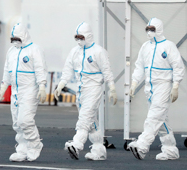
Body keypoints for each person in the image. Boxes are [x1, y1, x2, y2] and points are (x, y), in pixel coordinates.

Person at [54, 22, 117, 161]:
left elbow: (107, 71)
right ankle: (99, 149)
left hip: (94, 88)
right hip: (81, 89)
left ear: (88, 36)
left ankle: (77, 145)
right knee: (91, 122)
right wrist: (61, 84)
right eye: (76, 37)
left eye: (81, 37)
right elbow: (68, 69)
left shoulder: (98, 51)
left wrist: (112, 88)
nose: (78, 40)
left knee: (84, 119)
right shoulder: (75, 51)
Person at [128, 18, 185, 160]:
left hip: (164, 86)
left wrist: (176, 85)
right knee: (161, 120)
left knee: (153, 117)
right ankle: (170, 149)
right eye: (147, 29)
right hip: (150, 87)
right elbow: (139, 66)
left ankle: (142, 145)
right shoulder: (145, 47)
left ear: (158, 29)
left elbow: (178, 66)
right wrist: (134, 83)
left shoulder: (168, 46)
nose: (149, 32)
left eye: (152, 29)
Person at [0, 23, 47, 162]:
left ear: (24, 36)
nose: (14, 41)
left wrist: (42, 87)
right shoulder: (11, 51)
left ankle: (35, 145)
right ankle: (22, 149)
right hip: (15, 91)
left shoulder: (34, 50)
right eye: (13, 39)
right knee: (17, 123)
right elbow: (7, 70)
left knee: (25, 120)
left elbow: (40, 69)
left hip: (29, 90)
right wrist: (3, 87)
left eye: (17, 38)